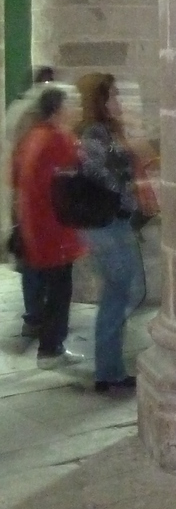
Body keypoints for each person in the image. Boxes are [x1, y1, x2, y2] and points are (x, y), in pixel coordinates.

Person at [76, 72, 145, 394]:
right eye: (114, 97)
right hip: (104, 223)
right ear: (100, 102)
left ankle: (109, 368)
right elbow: (95, 172)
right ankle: (108, 370)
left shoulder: (108, 131)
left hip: (116, 220)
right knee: (122, 292)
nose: (119, 102)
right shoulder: (93, 132)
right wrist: (126, 189)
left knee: (124, 292)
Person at [12, 86, 85, 368]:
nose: (77, 108)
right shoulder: (58, 139)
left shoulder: (33, 136)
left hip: (36, 224)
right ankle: (51, 349)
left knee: (50, 288)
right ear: (58, 109)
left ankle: (48, 342)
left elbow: (18, 178)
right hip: (55, 228)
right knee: (59, 291)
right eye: (72, 103)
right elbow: (76, 178)